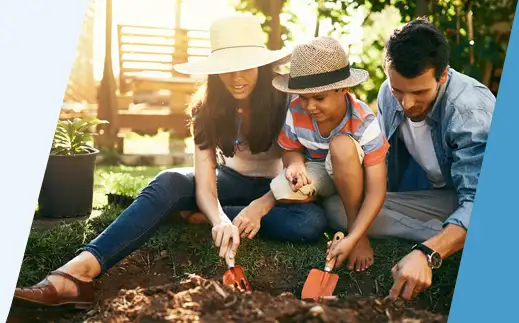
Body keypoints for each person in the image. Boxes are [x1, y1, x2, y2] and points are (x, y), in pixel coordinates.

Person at [12, 15, 327, 309]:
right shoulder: (207, 107)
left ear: (262, 65)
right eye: (227, 66)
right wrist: (218, 219)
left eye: (246, 66)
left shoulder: (287, 99)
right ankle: (78, 272)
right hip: (232, 182)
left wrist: (260, 206)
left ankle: (192, 215)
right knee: (170, 181)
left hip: (280, 190)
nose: (236, 77)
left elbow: (306, 168)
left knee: (310, 222)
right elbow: (205, 184)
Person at [324, 17, 495, 300]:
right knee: (337, 210)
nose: (407, 103)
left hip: (474, 200)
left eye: (419, 92)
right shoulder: (387, 95)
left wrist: (427, 252)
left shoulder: (469, 110)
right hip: (430, 197)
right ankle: (457, 237)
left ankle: (460, 237)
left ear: (443, 75)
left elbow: (480, 201)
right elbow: (380, 167)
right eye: (398, 91)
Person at [268, 36, 389, 273]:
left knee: (342, 145)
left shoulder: (364, 122)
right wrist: (294, 164)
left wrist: (355, 237)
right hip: (317, 171)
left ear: (343, 88)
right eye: (303, 97)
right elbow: (290, 149)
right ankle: (237, 212)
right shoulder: (295, 110)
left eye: (319, 98)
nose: (310, 106)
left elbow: (377, 189)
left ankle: (354, 224)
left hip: (352, 175)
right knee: (281, 188)